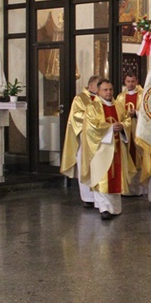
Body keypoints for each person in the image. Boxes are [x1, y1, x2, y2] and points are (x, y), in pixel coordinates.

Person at [81, 78, 137, 220]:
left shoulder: (118, 106)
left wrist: (123, 126)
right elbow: (91, 128)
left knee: (115, 177)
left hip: (117, 147)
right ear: (98, 91)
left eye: (110, 89)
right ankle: (103, 208)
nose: (108, 92)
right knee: (101, 177)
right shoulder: (92, 107)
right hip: (100, 149)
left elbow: (127, 120)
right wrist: (110, 128)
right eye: (105, 90)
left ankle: (115, 208)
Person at [60, 75, 100, 207]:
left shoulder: (103, 98)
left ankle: (100, 198)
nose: (101, 88)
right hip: (84, 139)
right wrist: (95, 120)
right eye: (98, 85)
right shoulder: (80, 99)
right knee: (85, 166)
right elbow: (76, 116)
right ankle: (88, 198)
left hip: (100, 139)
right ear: (91, 86)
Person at [116, 73, 147, 196]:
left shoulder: (144, 95)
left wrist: (137, 113)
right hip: (126, 132)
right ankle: (127, 189)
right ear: (125, 81)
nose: (130, 84)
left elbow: (148, 112)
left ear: (137, 81)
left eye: (133, 81)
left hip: (140, 132)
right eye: (128, 81)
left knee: (140, 157)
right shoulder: (120, 97)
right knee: (127, 156)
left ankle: (141, 189)